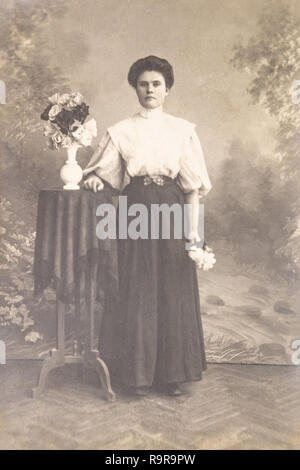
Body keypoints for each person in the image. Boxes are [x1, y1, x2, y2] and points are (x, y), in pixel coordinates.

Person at [83, 55, 212, 397]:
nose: (150, 89)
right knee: (137, 286)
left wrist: (193, 231)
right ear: (134, 88)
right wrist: (96, 180)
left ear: (167, 88)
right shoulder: (121, 131)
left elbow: (192, 186)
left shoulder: (182, 130)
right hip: (135, 210)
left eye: (156, 83)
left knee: (172, 285)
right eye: (143, 84)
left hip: (170, 209)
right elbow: (105, 172)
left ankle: (171, 376)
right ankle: (136, 376)